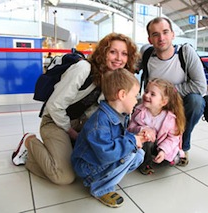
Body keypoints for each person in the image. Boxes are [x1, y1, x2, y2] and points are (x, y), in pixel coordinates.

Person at [11, 33, 140, 185]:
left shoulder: (116, 79)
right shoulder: (83, 69)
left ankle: (50, 157)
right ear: (103, 53)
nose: (119, 58)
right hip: (55, 121)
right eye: (113, 52)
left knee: (84, 168)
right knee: (64, 177)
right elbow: (55, 106)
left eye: (124, 53)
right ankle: (29, 142)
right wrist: (71, 132)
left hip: (83, 124)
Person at [71, 68, 150, 208]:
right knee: (129, 154)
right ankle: (100, 188)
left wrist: (137, 137)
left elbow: (119, 139)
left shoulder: (120, 114)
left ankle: (107, 177)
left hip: (98, 160)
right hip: (87, 167)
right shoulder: (99, 123)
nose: (136, 100)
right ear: (122, 95)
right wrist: (132, 141)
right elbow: (107, 154)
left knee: (139, 154)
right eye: (135, 95)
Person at [141, 17, 207, 166]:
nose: (161, 38)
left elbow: (200, 86)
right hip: (156, 105)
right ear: (150, 39)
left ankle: (183, 145)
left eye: (165, 32)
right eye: (155, 34)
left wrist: (168, 93)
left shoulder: (185, 53)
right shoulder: (147, 55)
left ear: (172, 34)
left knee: (196, 102)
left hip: (180, 103)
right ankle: (150, 146)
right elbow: (129, 68)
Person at [128, 78, 186, 175]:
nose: (146, 95)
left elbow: (173, 138)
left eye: (152, 94)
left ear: (163, 102)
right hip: (145, 146)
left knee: (169, 160)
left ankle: (177, 155)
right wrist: (141, 129)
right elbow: (130, 127)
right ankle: (145, 165)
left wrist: (163, 151)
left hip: (161, 147)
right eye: (146, 91)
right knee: (146, 139)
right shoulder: (139, 111)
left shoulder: (170, 118)